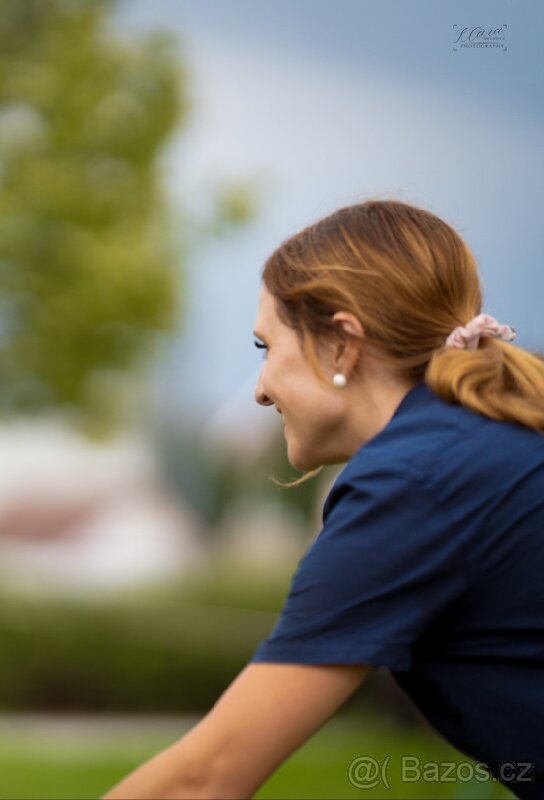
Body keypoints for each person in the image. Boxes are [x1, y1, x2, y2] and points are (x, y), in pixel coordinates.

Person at [106, 200, 544, 799]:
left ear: (343, 344)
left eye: (265, 348)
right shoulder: (486, 442)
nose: (259, 390)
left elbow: (204, 780)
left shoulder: (411, 484)